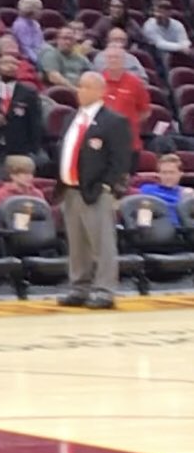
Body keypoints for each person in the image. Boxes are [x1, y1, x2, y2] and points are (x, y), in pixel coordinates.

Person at [56, 71, 132, 310]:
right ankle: (80, 287)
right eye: (79, 86)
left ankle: (104, 290)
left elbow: (120, 160)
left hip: (95, 191)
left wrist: (106, 185)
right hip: (69, 189)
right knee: (77, 244)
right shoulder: (70, 118)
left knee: (102, 243)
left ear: (101, 91)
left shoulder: (114, 121)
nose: (81, 91)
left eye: (87, 87)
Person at [0, 53, 43, 180]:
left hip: (20, 150)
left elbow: (36, 123)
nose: (10, 66)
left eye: (14, 64)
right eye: (6, 63)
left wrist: (33, 150)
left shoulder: (29, 93)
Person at [102, 44, 151, 174]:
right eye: (110, 57)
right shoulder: (98, 82)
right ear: (105, 60)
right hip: (102, 143)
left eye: (116, 57)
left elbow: (145, 111)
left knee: (126, 181)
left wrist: (129, 122)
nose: (113, 60)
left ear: (124, 60)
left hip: (129, 144)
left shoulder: (135, 83)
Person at [138, 153, 194, 225]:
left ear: (180, 174)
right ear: (158, 174)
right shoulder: (147, 190)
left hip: (183, 231)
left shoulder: (187, 194)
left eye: (172, 172)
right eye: (164, 173)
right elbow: (142, 222)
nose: (168, 176)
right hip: (157, 232)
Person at [11, 0, 45, 65]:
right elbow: (26, 48)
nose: (41, 12)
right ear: (31, 10)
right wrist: (39, 61)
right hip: (27, 60)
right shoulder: (20, 25)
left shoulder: (35, 24)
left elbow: (41, 43)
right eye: (39, 9)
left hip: (40, 55)